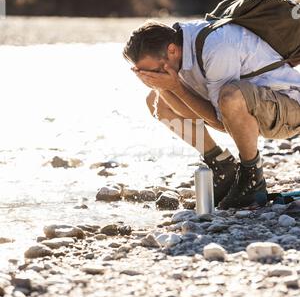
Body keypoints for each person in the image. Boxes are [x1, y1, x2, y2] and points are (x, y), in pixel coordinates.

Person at [123, 20, 300, 209]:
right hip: (256, 107)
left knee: (230, 97)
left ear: (172, 50)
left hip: (289, 109)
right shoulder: (182, 47)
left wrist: (174, 87)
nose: (153, 76)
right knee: (156, 99)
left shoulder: (217, 47)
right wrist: (163, 88)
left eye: (155, 71)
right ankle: (222, 165)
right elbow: (203, 114)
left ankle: (252, 177)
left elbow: (221, 121)